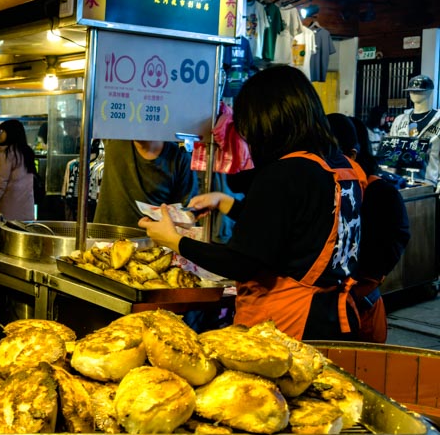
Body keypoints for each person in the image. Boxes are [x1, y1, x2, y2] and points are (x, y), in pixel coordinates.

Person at [139, 66, 363, 342]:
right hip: (331, 317)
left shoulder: (284, 173)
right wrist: (227, 203)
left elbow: (242, 262)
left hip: (287, 325)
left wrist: (174, 241)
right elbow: (288, 231)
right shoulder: (340, 167)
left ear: (266, 121)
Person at [329, 113, 410, 343]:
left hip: (362, 306)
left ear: (353, 154)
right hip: (329, 307)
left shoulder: (380, 192)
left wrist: (363, 280)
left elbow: (398, 237)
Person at [93, 139, 196, 229]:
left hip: (153, 246)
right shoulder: (113, 140)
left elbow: (187, 215)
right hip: (104, 241)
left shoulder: (180, 159)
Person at [389, 74, 440, 184]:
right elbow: (391, 152)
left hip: (429, 182)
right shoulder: (400, 120)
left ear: (430, 91)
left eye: (420, 91)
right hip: (400, 181)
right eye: (412, 90)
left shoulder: (438, 120)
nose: (415, 93)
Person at [0, 119, 37, 221]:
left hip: (8, 214)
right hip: (27, 213)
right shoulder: (27, 153)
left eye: (1, 131)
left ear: (10, 133)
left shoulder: (7, 154)